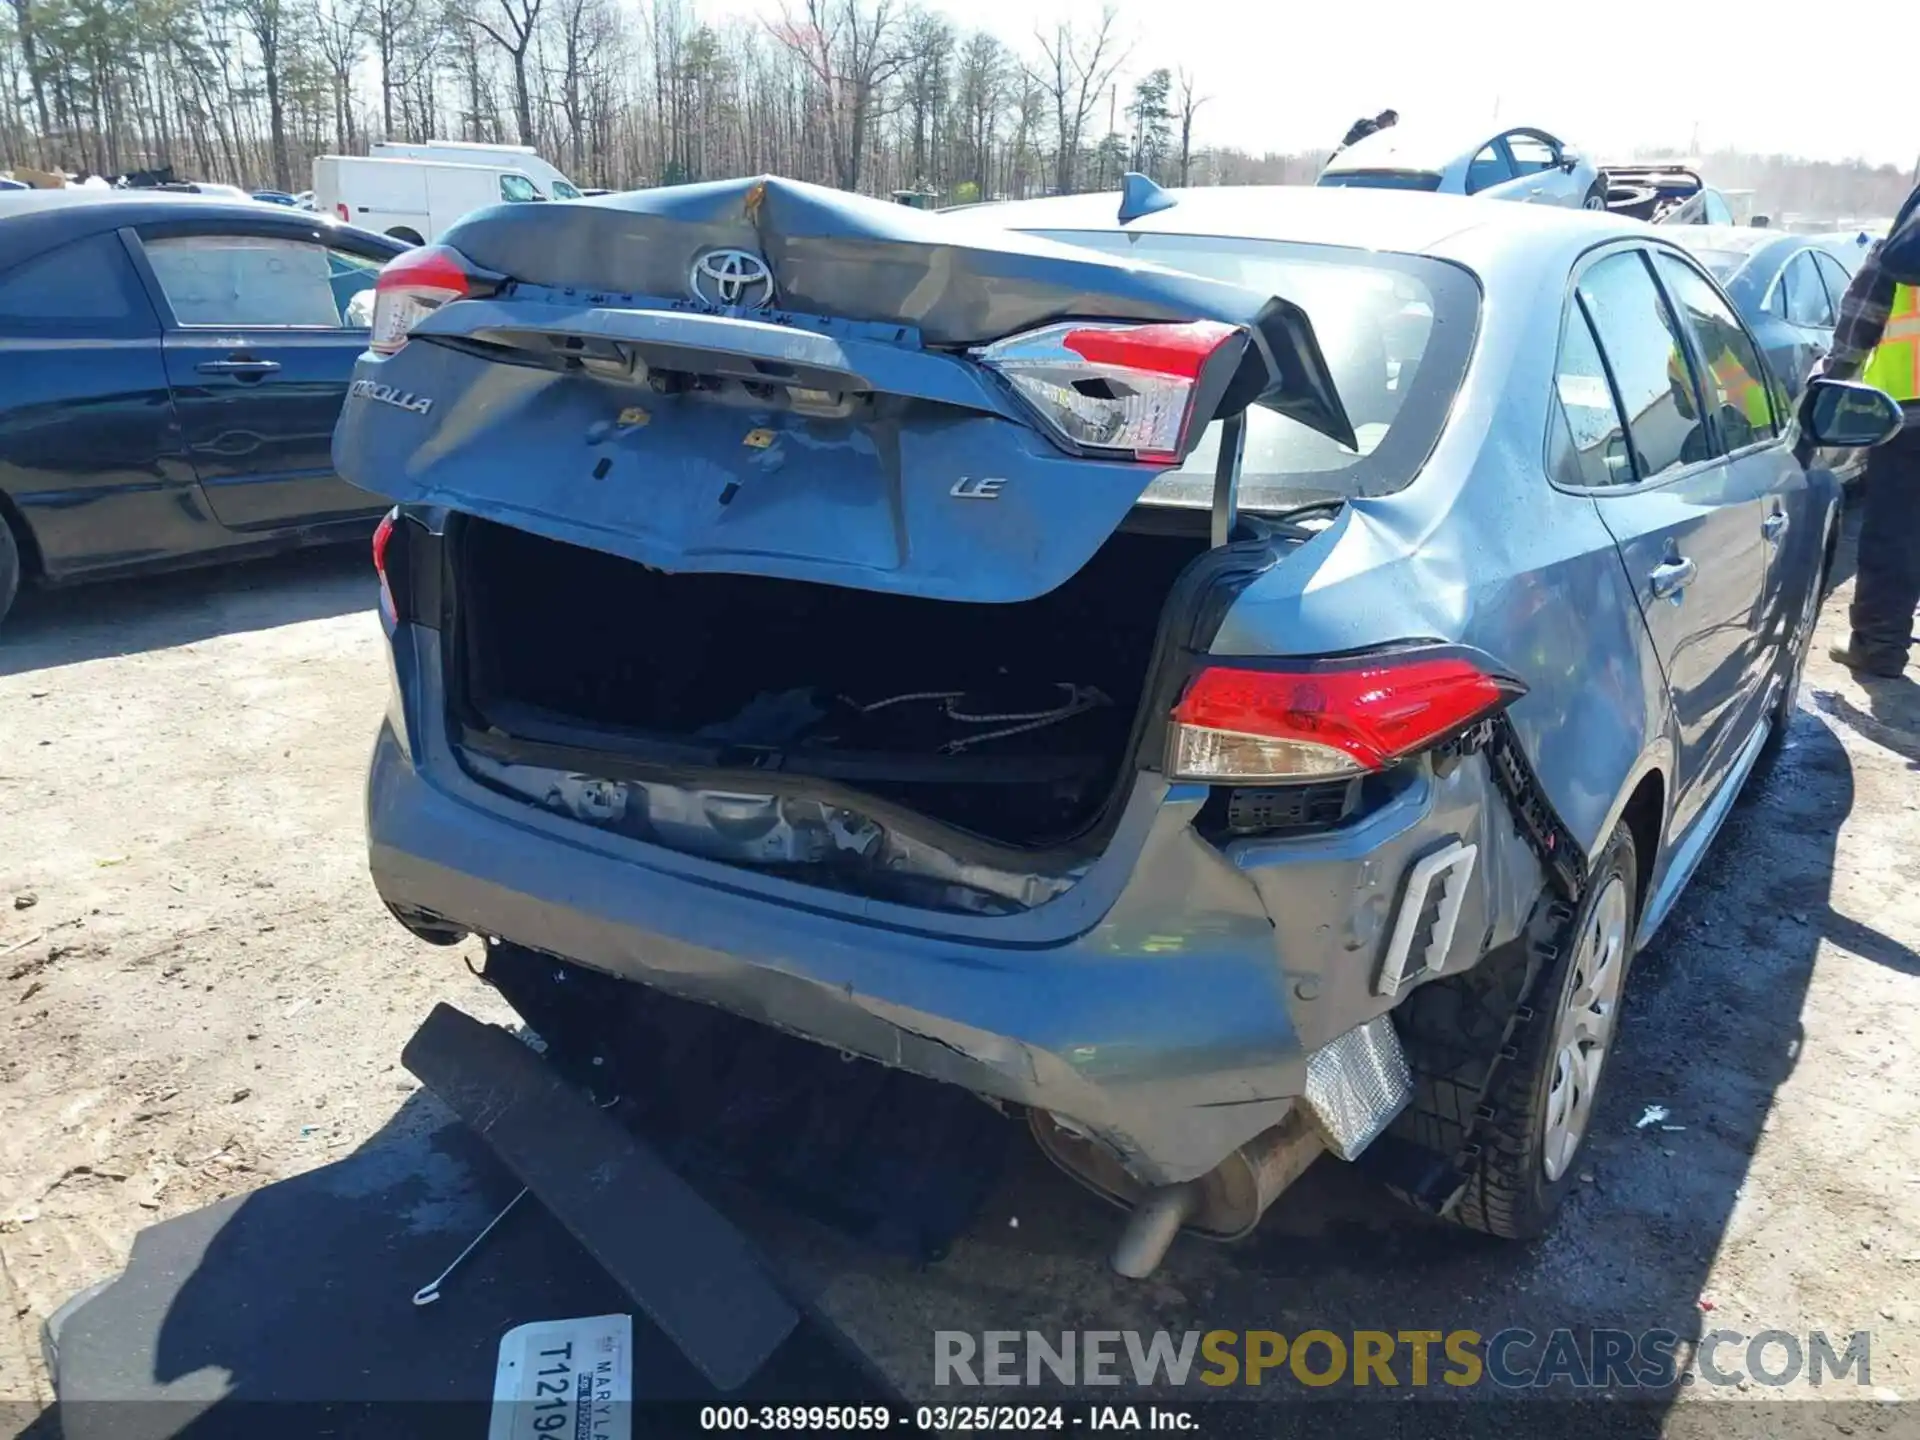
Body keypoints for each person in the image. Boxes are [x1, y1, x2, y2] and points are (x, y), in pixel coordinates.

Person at [1821, 183, 1920, 677]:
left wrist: (1832, 381)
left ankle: (1879, 644)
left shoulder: (1910, 237)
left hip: (1906, 415)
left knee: (1895, 532)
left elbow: (1862, 312)